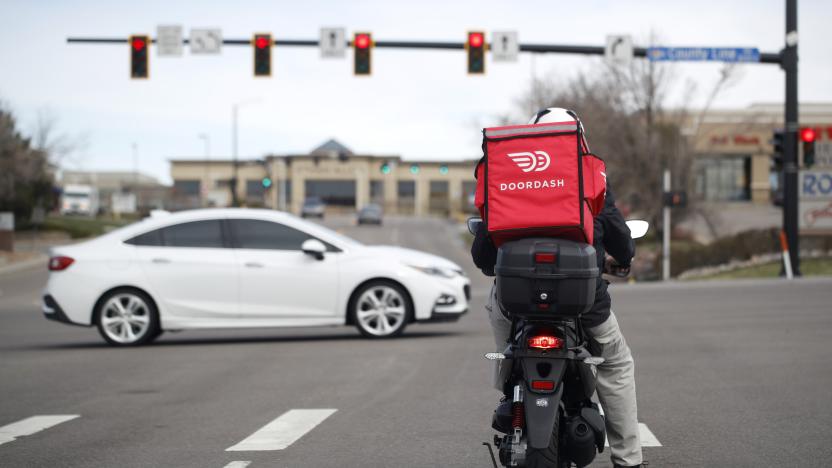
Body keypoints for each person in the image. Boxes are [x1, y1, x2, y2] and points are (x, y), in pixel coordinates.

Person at [473, 108, 644, 468]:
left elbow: (483, 254)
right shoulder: (589, 174)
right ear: (577, 138)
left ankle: (510, 388)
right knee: (615, 365)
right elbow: (621, 242)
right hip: (583, 299)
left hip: (513, 297)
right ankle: (629, 461)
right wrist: (623, 256)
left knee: (508, 351)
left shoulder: (507, 176)